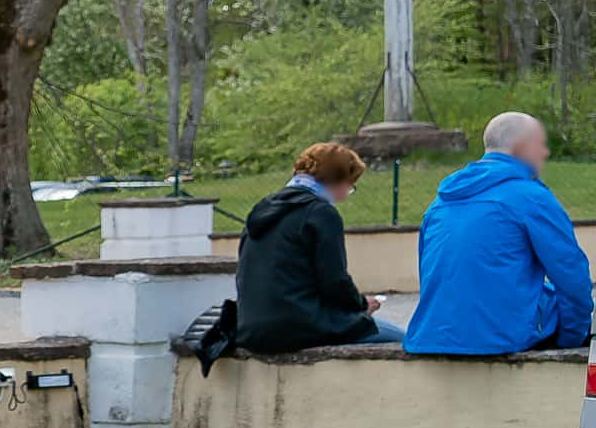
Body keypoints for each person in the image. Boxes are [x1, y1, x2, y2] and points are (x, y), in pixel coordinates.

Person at [404, 111, 592, 357]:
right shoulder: (531, 197)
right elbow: (571, 274)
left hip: (430, 336)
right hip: (499, 337)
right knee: (568, 304)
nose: (545, 153)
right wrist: (572, 339)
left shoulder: (439, 203)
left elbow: (432, 273)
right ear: (521, 146)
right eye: (541, 145)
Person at [232, 143, 389, 352]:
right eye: (350, 186)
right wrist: (361, 305)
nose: (345, 195)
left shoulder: (264, 209)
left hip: (251, 327)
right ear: (337, 180)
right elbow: (334, 281)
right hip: (301, 325)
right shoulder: (321, 213)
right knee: (402, 340)